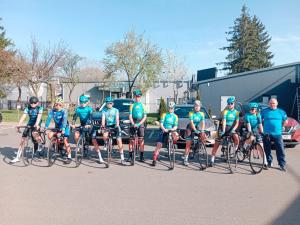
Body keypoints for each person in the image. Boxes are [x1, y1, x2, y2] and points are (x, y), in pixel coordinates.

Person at [11, 96, 43, 163]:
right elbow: (23, 116)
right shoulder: (27, 108)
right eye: (31, 103)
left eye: (34, 103)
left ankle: (40, 143)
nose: (33, 104)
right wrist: (19, 125)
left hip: (37, 123)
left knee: (34, 134)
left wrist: (37, 124)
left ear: (37, 103)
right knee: (22, 140)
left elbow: (39, 117)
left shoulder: (40, 108)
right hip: (30, 123)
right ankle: (17, 157)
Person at [209, 96, 240, 167]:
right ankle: (212, 159)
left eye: (231, 103)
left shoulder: (236, 112)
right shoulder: (225, 111)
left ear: (234, 104)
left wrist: (234, 129)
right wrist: (223, 130)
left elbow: (237, 122)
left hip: (232, 127)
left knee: (236, 137)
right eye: (228, 103)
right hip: (223, 126)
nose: (230, 105)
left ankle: (235, 150)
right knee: (217, 142)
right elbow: (224, 121)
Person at [261, 98, 288, 172]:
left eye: (273, 103)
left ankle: (282, 164)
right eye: (271, 103)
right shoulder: (264, 111)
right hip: (267, 134)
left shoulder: (281, 112)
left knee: (280, 149)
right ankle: (269, 162)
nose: (272, 104)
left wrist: (282, 126)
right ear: (269, 104)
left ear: (277, 103)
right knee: (267, 149)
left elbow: (286, 120)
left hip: (277, 134)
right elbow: (259, 120)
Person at [45, 97, 72, 164]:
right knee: (50, 135)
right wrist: (46, 127)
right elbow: (49, 119)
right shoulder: (52, 111)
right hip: (57, 127)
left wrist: (63, 128)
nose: (57, 106)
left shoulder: (64, 111)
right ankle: (56, 144)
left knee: (65, 141)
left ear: (62, 105)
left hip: (65, 127)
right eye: (56, 104)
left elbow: (64, 120)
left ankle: (69, 157)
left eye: (59, 105)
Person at [151, 101, 179, 166]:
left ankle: (171, 147)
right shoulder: (164, 114)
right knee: (159, 145)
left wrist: (172, 129)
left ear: (174, 108)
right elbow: (161, 124)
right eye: (169, 108)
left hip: (171, 130)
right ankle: (154, 159)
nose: (170, 109)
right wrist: (164, 129)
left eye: (172, 108)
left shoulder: (175, 116)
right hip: (163, 129)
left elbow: (175, 126)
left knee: (176, 136)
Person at [101, 96, 125, 165]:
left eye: (111, 103)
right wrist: (103, 126)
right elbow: (103, 119)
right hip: (108, 125)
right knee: (104, 135)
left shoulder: (115, 110)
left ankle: (122, 158)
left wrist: (117, 126)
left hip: (115, 125)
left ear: (113, 104)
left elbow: (117, 119)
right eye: (108, 103)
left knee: (119, 141)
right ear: (106, 104)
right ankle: (106, 143)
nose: (109, 104)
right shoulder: (104, 110)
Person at [243, 102, 267, 168]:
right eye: (251, 109)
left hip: (256, 130)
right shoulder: (247, 115)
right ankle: (244, 147)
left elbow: (260, 124)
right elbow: (248, 125)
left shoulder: (258, 115)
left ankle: (265, 162)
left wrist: (262, 132)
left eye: (254, 109)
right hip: (248, 129)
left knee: (261, 147)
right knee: (251, 138)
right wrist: (250, 132)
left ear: (256, 109)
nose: (252, 110)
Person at [183, 100, 206, 166]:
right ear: (194, 107)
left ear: (200, 107)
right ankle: (185, 159)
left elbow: (203, 123)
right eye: (195, 106)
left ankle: (195, 149)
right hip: (190, 128)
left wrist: (202, 130)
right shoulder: (191, 113)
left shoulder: (202, 114)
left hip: (197, 127)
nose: (196, 107)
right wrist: (195, 130)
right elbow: (192, 123)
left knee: (202, 137)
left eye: (198, 106)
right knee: (188, 144)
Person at [128, 89, 147, 162]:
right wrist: (132, 123)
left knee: (141, 140)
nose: (137, 98)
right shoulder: (132, 105)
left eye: (138, 97)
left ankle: (141, 157)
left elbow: (145, 116)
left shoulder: (143, 105)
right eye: (136, 96)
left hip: (140, 122)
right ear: (134, 97)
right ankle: (130, 156)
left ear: (140, 97)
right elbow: (130, 115)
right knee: (131, 140)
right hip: (133, 121)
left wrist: (139, 124)